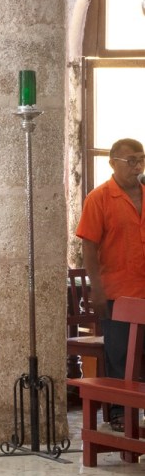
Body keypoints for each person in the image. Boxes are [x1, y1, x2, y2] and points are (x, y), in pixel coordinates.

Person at [77, 136, 145, 429]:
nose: (137, 166)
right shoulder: (99, 197)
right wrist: (98, 288)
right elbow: (89, 247)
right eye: (131, 161)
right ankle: (119, 412)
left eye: (141, 160)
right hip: (117, 292)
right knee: (119, 354)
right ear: (113, 163)